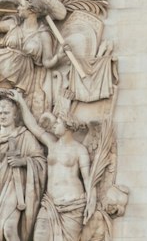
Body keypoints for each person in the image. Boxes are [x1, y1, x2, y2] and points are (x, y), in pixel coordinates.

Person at [7, 90, 92, 241]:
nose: (53, 126)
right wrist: (20, 101)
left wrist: (92, 203)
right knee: (39, 236)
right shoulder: (51, 144)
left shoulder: (80, 150)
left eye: (58, 123)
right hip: (50, 202)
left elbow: (88, 180)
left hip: (72, 206)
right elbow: (33, 126)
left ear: (68, 125)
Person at [0, 92, 45, 241]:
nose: (2, 116)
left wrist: (24, 161)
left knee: (9, 228)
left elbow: (40, 160)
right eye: (0, 112)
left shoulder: (24, 135)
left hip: (14, 186)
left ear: (15, 115)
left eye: (6, 112)